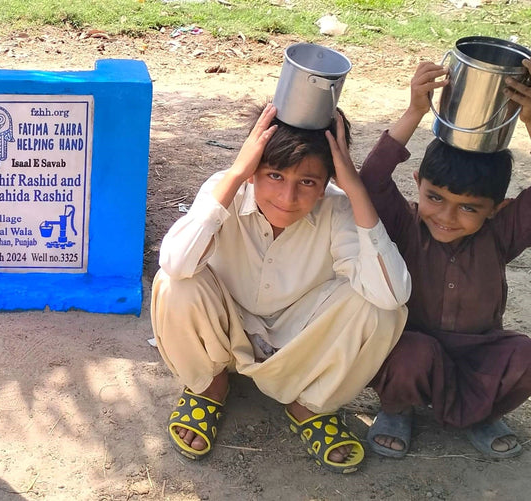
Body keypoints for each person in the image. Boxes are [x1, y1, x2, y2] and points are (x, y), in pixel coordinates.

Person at [151, 102, 411, 474]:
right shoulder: (227, 189)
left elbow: (393, 294)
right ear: (254, 169)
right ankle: (209, 385)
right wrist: (238, 172)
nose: (287, 199)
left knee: (381, 309)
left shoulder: (337, 209)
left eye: (307, 182)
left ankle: (311, 403)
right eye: (274, 175)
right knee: (175, 283)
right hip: (226, 328)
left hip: (299, 337)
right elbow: (174, 263)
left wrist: (354, 188)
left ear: (325, 185)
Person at [361, 59, 531, 460]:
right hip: (413, 348)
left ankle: (483, 413)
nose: (446, 217)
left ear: (497, 208)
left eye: (469, 208)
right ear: (417, 186)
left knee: (530, 360)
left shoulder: (500, 234)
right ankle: (397, 408)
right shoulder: (405, 226)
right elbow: (371, 179)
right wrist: (414, 111)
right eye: (435, 198)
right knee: (407, 353)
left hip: (481, 351)